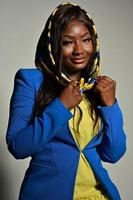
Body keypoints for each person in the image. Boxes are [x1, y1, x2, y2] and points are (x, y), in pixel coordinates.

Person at [6, 2, 126, 200]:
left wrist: (110, 106)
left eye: (86, 40)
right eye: (68, 42)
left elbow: (113, 154)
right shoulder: (31, 80)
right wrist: (60, 106)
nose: (79, 50)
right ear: (54, 45)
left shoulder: (97, 88)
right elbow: (18, 146)